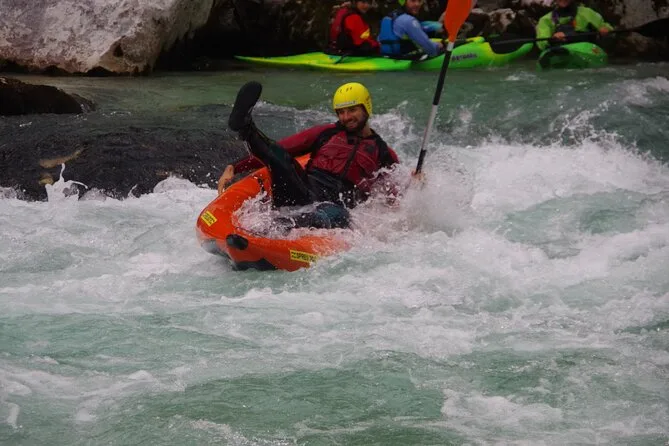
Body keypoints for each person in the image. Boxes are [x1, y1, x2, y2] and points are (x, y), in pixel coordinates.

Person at [218, 81, 401, 230]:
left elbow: (396, 194)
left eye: (352, 110)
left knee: (339, 215)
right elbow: (279, 149)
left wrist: (414, 185)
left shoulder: (382, 152)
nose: (346, 117)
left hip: (335, 204)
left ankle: (277, 226)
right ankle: (246, 127)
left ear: (366, 108)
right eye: (341, 112)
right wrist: (235, 167)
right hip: (303, 189)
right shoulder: (327, 132)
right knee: (281, 156)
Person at [535, 0, 613, 51]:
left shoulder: (587, 12)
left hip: (585, 49)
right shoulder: (545, 19)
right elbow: (542, 43)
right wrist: (553, 39)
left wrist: (605, 29)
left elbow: (606, 27)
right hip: (560, 50)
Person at [378, 0, 444, 58]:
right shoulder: (409, 21)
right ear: (403, 2)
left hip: (386, 57)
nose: (417, 4)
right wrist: (438, 46)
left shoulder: (390, 17)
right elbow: (431, 50)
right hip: (403, 59)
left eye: (419, 1)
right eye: (413, 0)